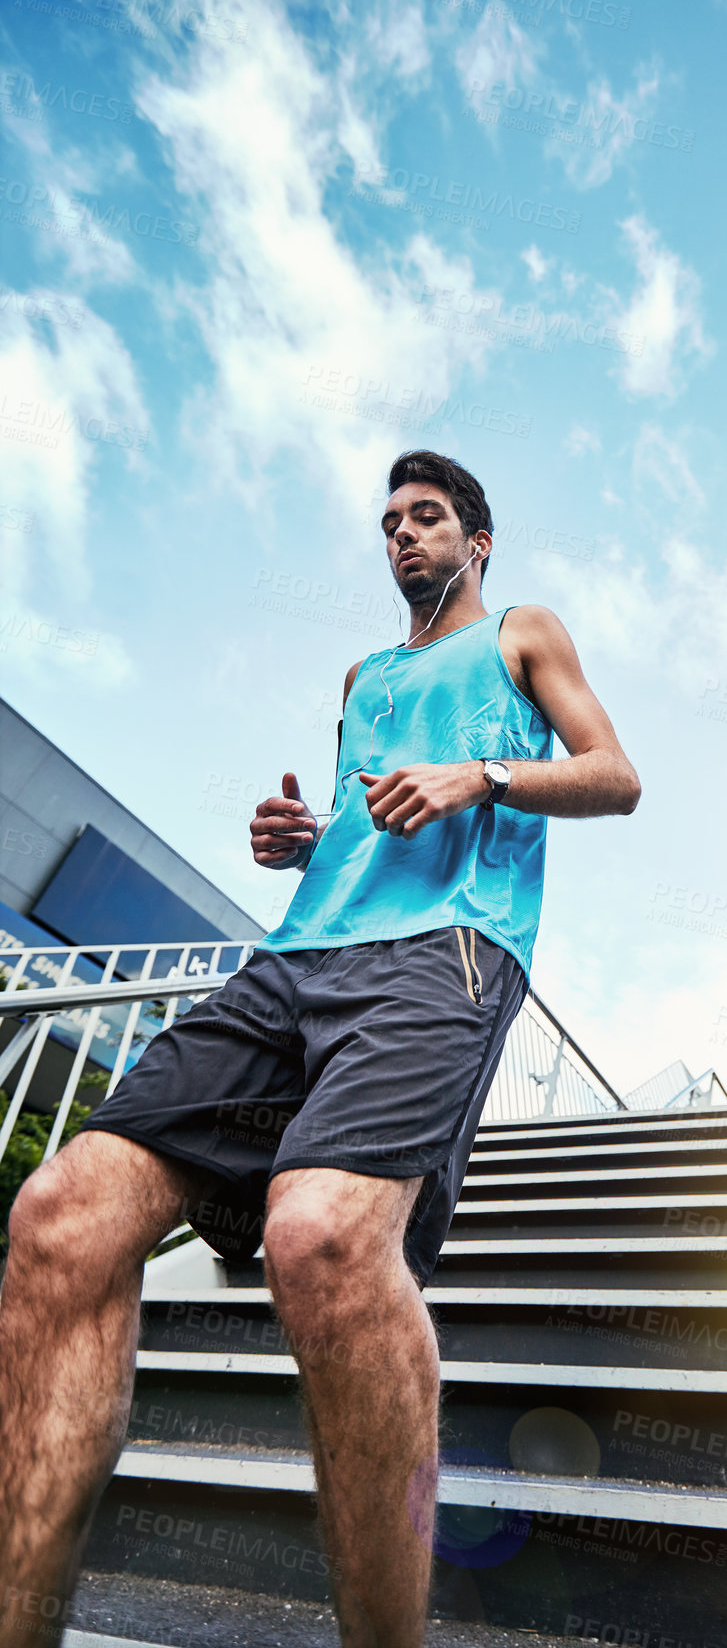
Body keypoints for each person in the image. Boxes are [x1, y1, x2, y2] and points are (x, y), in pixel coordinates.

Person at [0, 448, 641, 1648]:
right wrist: (303, 838)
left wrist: (482, 775)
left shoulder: (521, 631)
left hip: (444, 953)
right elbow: (364, 822)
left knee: (324, 1235)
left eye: (429, 517)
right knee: (60, 1212)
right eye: (390, 521)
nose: (404, 535)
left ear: (477, 540)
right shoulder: (363, 673)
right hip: (297, 961)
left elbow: (616, 775)